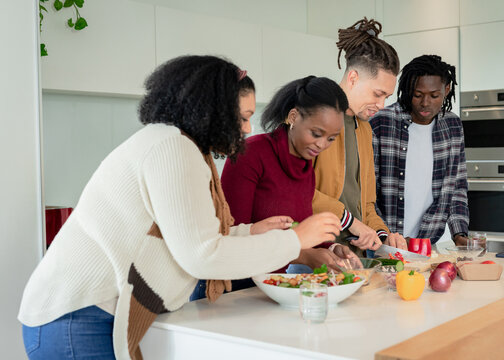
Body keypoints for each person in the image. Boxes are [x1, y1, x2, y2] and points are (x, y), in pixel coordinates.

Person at [18, 55, 341, 360]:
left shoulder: (176, 145)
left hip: (83, 313)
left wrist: (250, 231)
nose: (247, 129)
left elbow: (190, 233)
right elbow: (202, 254)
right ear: (212, 110)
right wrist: (295, 240)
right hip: (77, 316)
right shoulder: (173, 148)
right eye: (242, 118)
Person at [222, 76, 361, 274]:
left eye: (331, 138)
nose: (322, 145)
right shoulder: (250, 154)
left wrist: (331, 248)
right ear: (294, 117)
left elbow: (299, 231)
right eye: (316, 133)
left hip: (273, 288)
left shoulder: (305, 167)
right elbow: (231, 238)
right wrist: (302, 255)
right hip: (238, 287)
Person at [312, 18, 408, 256]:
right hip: (314, 256)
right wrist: (350, 222)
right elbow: (297, 191)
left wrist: (383, 236)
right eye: (378, 93)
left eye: (386, 96)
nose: (382, 104)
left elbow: (366, 205)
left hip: (352, 260)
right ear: (353, 78)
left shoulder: (364, 129)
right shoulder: (308, 115)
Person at [370, 54, 469, 245]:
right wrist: (385, 236)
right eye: (418, 95)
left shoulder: (452, 125)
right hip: (385, 243)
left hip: (427, 244)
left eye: (434, 95)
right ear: (408, 91)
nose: (425, 103)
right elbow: (367, 193)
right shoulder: (381, 122)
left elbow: (457, 187)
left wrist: (459, 234)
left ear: (446, 90)